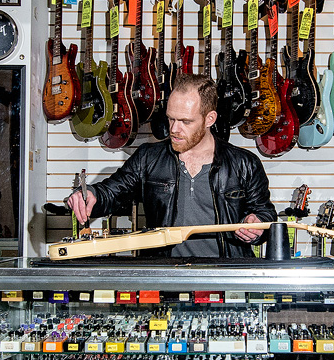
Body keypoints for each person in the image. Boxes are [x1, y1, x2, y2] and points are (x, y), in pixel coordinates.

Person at [66, 73, 277, 258]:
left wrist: (256, 224)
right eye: (170, 119)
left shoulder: (245, 163)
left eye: (185, 121)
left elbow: (265, 215)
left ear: (209, 119)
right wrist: (91, 194)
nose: (174, 129)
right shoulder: (149, 157)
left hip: (226, 276)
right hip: (165, 275)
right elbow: (112, 192)